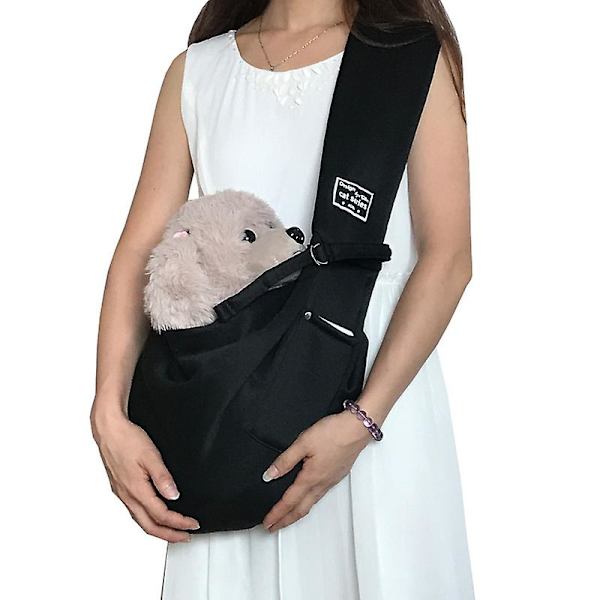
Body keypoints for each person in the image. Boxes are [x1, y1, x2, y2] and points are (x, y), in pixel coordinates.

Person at [90, 0, 475, 597]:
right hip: (234, 404)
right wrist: (109, 414)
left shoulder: (406, 55)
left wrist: (362, 421)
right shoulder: (198, 71)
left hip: (373, 393)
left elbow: (448, 258)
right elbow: (139, 250)